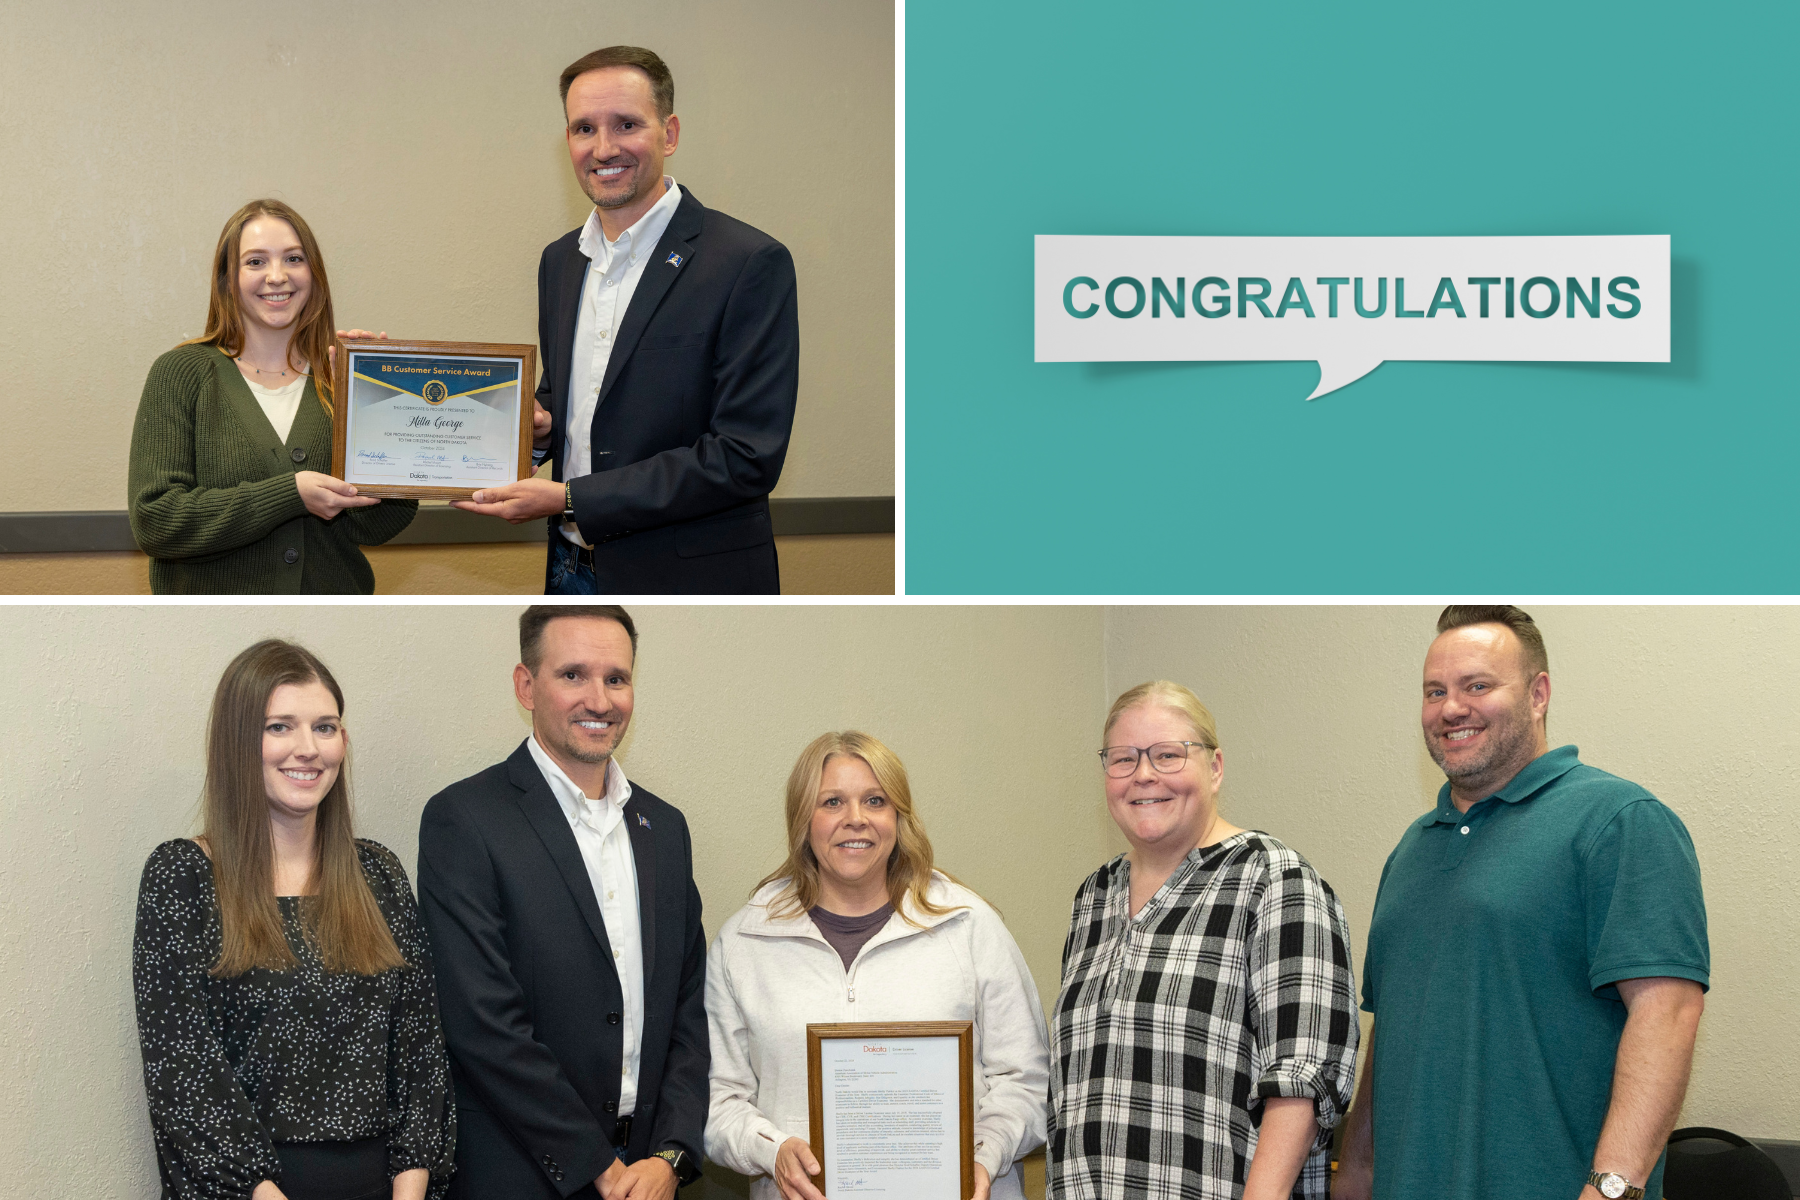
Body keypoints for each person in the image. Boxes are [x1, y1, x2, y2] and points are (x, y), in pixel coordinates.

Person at [1333, 607, 1709, 1200]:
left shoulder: (1620, 821)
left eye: (1477, 685)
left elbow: (1668, 1015)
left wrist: (1613, 1190)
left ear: (1539, 694)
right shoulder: (1410, 850)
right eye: (1435, 691)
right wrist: (1354, 1172)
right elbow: (1394, 1029)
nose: (1452, 707)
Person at [450, 46, 799, 595]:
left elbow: (745, 455)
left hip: (690, 576)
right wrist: (534, 427)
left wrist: (571, 498)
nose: (604, 148)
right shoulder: (560, 260)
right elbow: (570, 398)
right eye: (584, 128)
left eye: (627, 124)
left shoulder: (747, 262)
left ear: (670, 133)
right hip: (570, 568)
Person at [132, 639, 454, 1200]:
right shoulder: (182, 875)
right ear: (237, 742)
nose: (308, 749)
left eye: (325, 728)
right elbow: (184, 1075)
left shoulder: (378, 873)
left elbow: (421, 1055)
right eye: (280, 727)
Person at [417, 605, 707, 1199]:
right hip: (521, 1173)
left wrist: (670, 1157)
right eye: (573, 675)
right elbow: (481, 1023)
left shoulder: (665, 829)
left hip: (650, 1175)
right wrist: (599, 1165)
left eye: (617, 678)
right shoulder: (465, 820)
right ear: (526, 686)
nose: (599, 700)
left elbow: (688, 1008)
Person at [706, 731, 1049, 1200]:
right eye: (831, 802)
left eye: (875, 800)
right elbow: (717, 1099)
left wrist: (983, 1157)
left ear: (898, 817)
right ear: (803, 818)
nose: (856, 820)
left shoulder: (969, 927)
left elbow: (1026, 1081)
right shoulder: (745, 942)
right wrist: (772, 1150)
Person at [1049, 681, 1358, 1200]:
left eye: (1169, 755)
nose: (1143, 774)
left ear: (1214, 768)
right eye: (1123, 759)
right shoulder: (1094, 897)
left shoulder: (1274, 881)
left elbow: (1302, 1083)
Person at [127, 199, 416, 593]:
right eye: (256, 262)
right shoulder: (181, 374)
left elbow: (377, 526)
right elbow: (156, 522)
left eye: (294, 259)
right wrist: (290, 495)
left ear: (314, 274)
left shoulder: (342, 377)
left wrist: (376, 399)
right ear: (228, 278)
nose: (277, 276)